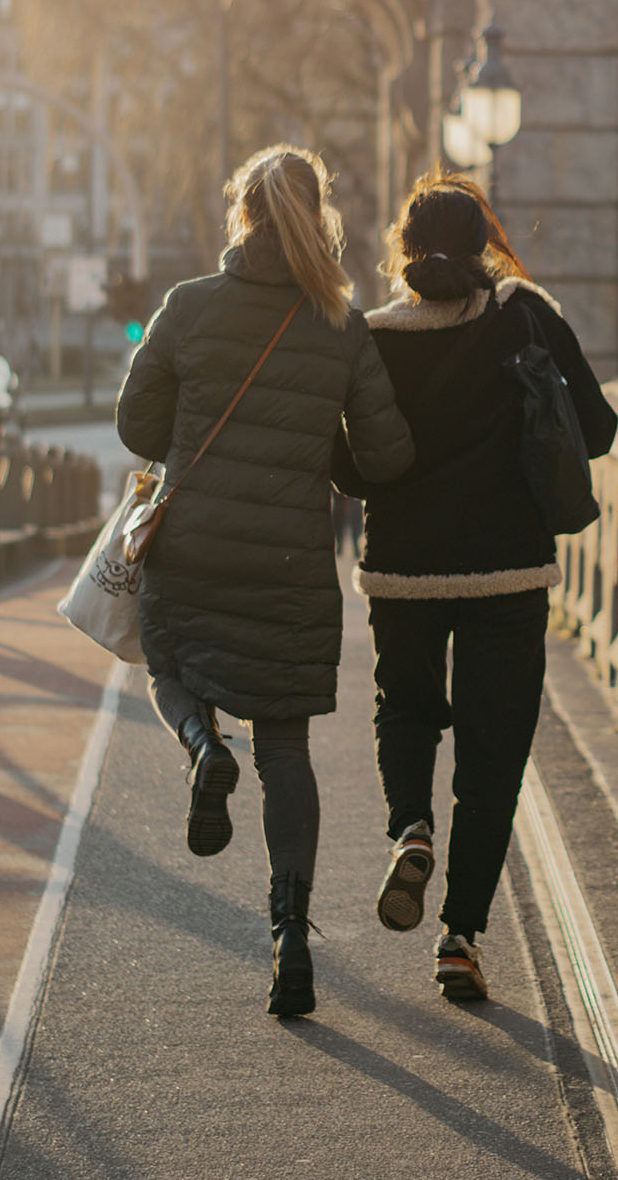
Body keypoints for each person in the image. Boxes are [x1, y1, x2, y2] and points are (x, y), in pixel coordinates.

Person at [116, 145, 413, 1018]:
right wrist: (320, 444)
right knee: (286, 748)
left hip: (195, 543)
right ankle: (289, 932)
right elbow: (386, 458)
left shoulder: (188, 307)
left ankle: (204, 750)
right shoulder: (340, 323)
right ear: (317, 216)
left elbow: (137, 421)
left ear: (241, 214)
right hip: (289, 563)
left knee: (168, 666)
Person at [331, 174, 617, 1003]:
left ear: (403, 252)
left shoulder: (373, 337)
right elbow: (595, 429)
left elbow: (348, 468)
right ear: (488, 242)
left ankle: (410, 828)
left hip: (403, 574)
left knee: (406, 707)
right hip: (508, 574)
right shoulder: (525, 313)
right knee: (493, 757)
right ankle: (459, 939)